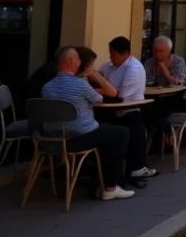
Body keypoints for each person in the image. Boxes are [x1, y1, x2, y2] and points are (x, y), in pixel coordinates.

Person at [41, 46, 134, 200]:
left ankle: (95, 179)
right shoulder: (80, 84)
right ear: (70, 61)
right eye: (77, 59)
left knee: (108, 132)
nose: (79, 62)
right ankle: (110, 187)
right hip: (78, 138)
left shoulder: (47, 87)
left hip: (51, 140)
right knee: (120, 133)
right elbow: (100, 100)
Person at [98, 37, 158, 181]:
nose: (110, 57)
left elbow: (120, 96)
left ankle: (137, 167)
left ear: (124, 53)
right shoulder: (108, 66)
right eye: (110, 53)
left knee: (133, 121)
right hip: (108, 109)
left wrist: (101, 89)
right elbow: (98, 80)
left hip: (129, 109)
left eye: (113, 54)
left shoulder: (133, 68)